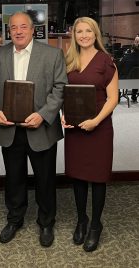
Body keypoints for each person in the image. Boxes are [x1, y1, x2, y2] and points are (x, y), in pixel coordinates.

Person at [0, 12, 67, 247]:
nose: (19, 31)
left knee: (45, 179)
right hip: (10, 128)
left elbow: (60, 88)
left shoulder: (53, 54)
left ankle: (46, 222)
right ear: (8, 31)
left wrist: (42, 116)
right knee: (14, 178)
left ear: (34, 30)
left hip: (40, 129)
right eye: (14, 28)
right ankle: (15, 219)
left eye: (23, 27)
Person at [62, 17, 118, 252]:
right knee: (78, 176)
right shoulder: (69, 59)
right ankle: (81, 219)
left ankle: (95, 225)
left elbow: (113, 98)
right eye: (79, 32)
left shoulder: (106, 61)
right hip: (75, 129)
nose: (83, 35)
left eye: (88, 31)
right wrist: (63, 114)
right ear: (74, 35)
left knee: (97, 177)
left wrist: (95, 121)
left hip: (99, 128)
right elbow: (63, 91)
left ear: (96, 34)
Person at [118, 36, 139, 102]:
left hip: (124, 83)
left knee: (116, 75)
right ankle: (134, 95)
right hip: (137, 82)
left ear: (132, 49)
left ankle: (118, 96)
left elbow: (118, 68)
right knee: (136, 75)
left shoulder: (126, 57)